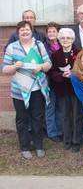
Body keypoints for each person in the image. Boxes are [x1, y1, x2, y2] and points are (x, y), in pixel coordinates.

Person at [2, 21, 51, 159]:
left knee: (37, 118)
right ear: (18, 33)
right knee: (22, 119)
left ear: (31, 31)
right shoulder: (12, 47)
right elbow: (4, 68)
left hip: (38, 89)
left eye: (27, 30)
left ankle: (38, 145)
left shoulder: (39, 45)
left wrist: (41, 67)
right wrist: (14, 66)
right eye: (22, 30)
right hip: (20, 91)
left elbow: (49, 64)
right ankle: (24, 146)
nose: (25, 32)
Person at [49, 28, 83, 153]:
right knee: (64, 115)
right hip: (62, 88)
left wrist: (74, 73)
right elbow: (52, 72)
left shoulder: (79, 53)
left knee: (77, 115)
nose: (65, 40)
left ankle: (76, 141)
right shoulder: (55, 54)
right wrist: (61, 76)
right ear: (59, 40)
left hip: (76, 89)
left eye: (68, 38)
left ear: (72, 40)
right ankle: (67, 140)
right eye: (63, 38)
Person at [44, 22, 63, 143]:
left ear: (58, 33)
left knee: (59, 107)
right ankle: (52, 132)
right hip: (49, 80)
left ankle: (60, 130)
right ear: (46, 34)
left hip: (61, 81)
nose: (51, 33)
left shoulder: (62, 45)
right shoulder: (44, 46)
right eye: (49, 31)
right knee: (50, 107)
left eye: (54, 31)